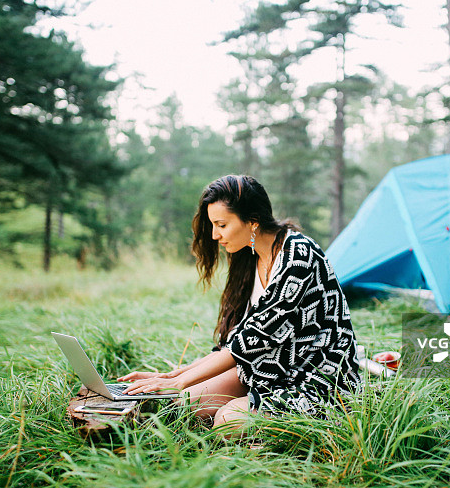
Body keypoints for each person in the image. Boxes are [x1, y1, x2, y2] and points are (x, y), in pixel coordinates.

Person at [118, 175, 362, 431]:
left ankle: (281, 427)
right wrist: (173, 376)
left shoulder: (298, 254)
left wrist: (178, 381)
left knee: (227, 421)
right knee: (185, 405)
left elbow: (255, 337)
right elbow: (236, 340)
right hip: (267, 368)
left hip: (317, 378)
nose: (215, 235)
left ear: (253, 221)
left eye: (222, 225)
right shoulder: (251, 256)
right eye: (213, 225)